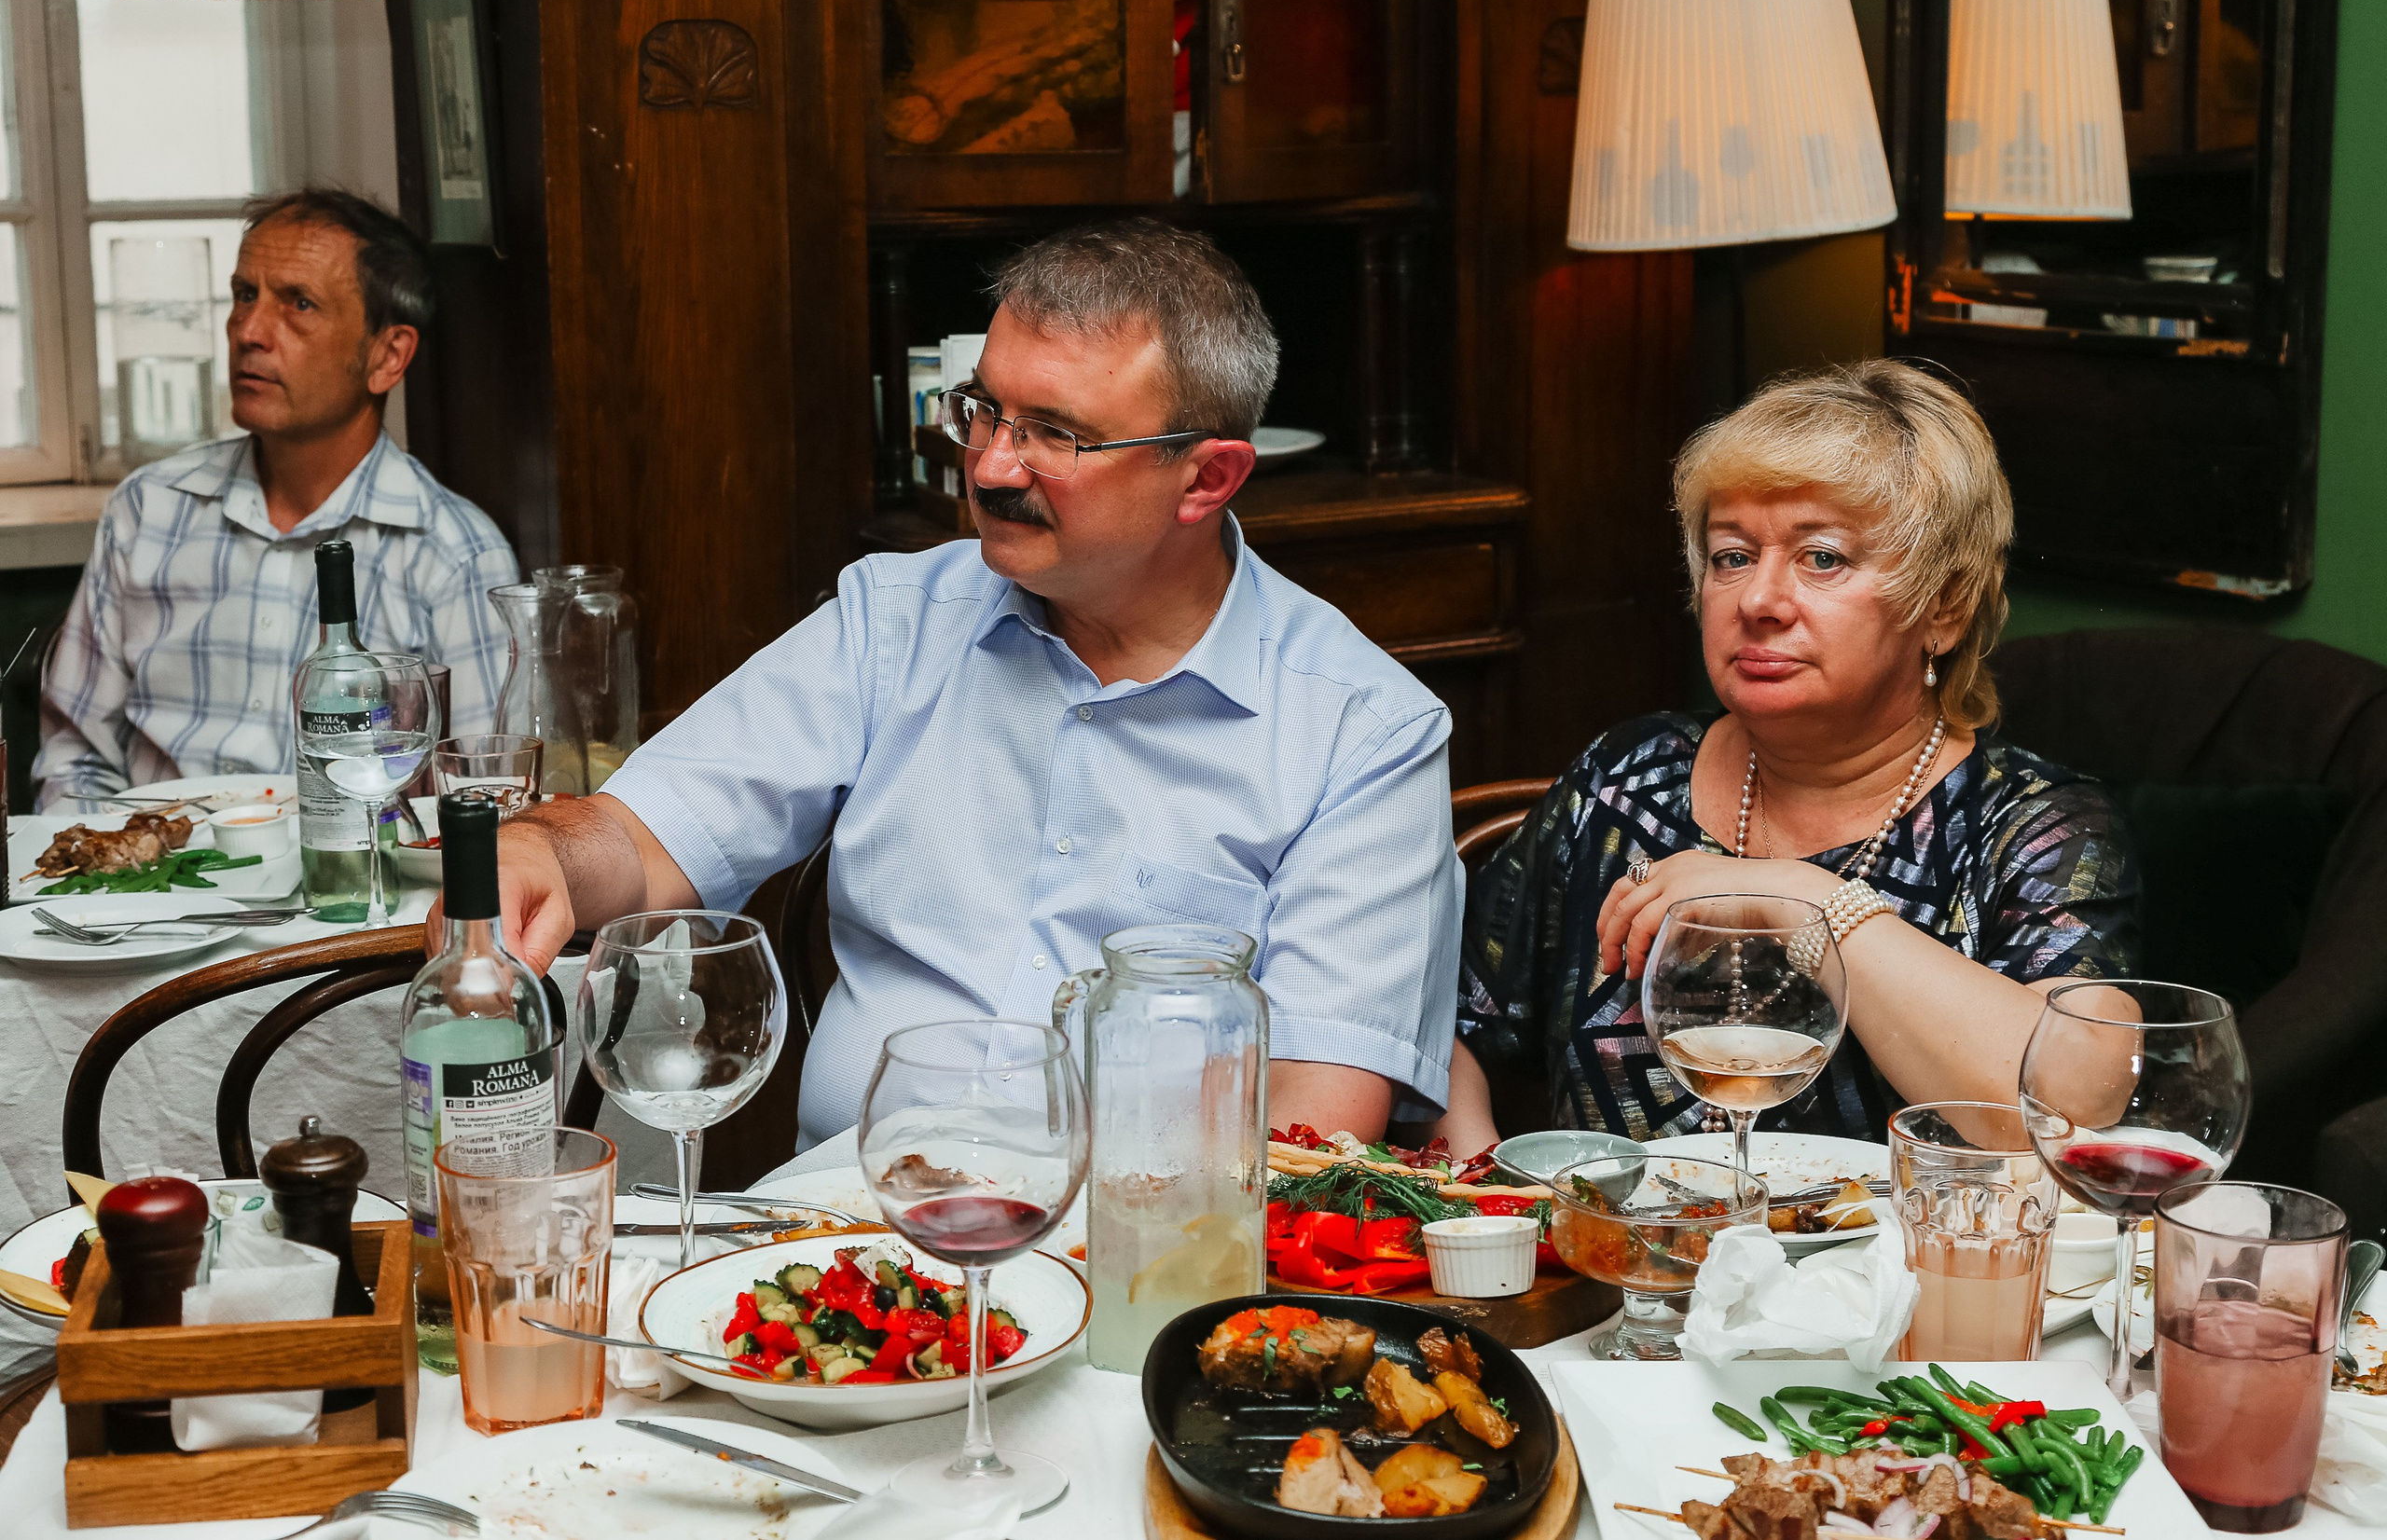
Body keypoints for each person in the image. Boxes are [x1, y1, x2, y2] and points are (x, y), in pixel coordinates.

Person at [459, 217, 1463, 1150]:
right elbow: (641, 842)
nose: (986, 466)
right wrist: (541, 846)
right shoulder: (894, 621)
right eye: (984, 409)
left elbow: (1312, 1124)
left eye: (1054, 434)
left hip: (1133, 1262)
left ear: (1206, 478)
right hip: (847, 1232)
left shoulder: (1361, 734)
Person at [1448, 360, 2138, 1148]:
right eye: (1732, 555)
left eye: (1822, 558)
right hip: (1621, 1267)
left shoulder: (2034, 828)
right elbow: (1443, 1019)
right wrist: (1484, 1190)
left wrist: (1794, 896)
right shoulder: (1626, 779)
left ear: (1943, 607)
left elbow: (2077, 1105)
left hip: (1888, 1272)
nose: (1758, 601)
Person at [35, 188, 518, 809]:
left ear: (387, 355)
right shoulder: (148, 511)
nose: (250, 331)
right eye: (244, 295)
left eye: (300, 303)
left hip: (357, 889)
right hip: (150, 884)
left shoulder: (455, 554)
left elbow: (482, 796)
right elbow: (73, 764)